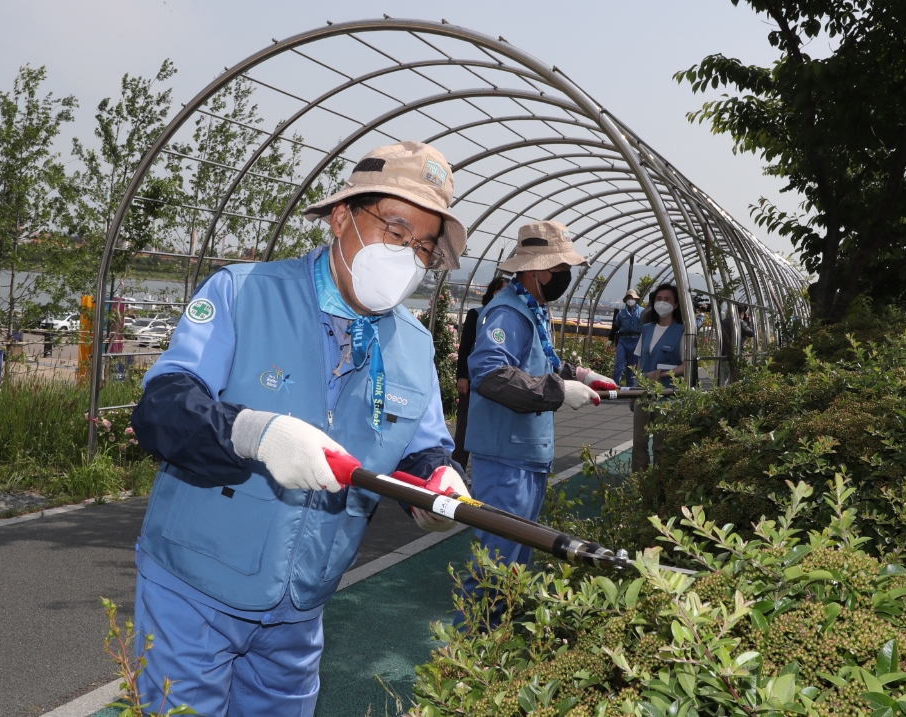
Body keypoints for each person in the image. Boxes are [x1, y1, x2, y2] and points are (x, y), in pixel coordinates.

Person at [129, 141, 471, 717]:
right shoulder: (244, 291)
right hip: (193, 587)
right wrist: (254, 433)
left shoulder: (413, 345)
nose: (406, 255)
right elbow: (163, 410)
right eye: (395, 227)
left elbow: (423, 448)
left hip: (301, 603)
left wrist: (438, 478)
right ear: (342, 218)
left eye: (421, 246)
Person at [460, 220, 618, 625]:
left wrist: (578, 374)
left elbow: (540, 361)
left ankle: (496, 645)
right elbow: (490, 374)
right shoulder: (507, 313)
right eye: (559, 268)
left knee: (515, 558)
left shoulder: (533, 309)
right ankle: (471, 652)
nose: (565, 276)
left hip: (525, 452)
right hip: (505, 455)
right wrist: (559, 391)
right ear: (534, 270)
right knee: (498, 560)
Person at [452, 275, 509, 471]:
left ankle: (485, 472)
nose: (503, 295)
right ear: (492, 292)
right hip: (473, 382)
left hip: (500, 384)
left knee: (492, 429)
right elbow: (465, 347)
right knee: (464, 429)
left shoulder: (508, 318)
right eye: (499, 290)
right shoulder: (477, 314)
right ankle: (457, 470)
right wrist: (462, 376)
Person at [631, 283, 685, 473]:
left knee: (661, 444)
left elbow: (687, 366)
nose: (662, 303)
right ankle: (639, 483)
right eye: (659, 299)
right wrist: (634, 387)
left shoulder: (682, 331)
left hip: (666, 394)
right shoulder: (647, 329)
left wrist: (661, 374)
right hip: (644, 393)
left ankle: (661, 486)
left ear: (676, 305)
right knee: (639, 441)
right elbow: (640, 360)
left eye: (667, 300)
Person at [611, 289, 642, 386]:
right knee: (619, 363)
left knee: (632, 366)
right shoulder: (621, 313)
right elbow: (615, 326)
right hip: (623, 340)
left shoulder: (643, 312)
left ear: (636, 299)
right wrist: (610, 339)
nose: (630, 300)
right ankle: (614, 385)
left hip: (636, 340)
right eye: (628, 298)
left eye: (632, 298)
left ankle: (630, 387)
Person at [719, 304, 755, 385]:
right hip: (735, 354)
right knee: (733, 378)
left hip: (723, 354)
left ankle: (720, 395)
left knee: (722, 379)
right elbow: (751, 333)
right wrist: (749, 322)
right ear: (741, 313)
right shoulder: (740, 322)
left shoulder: (723, 321)